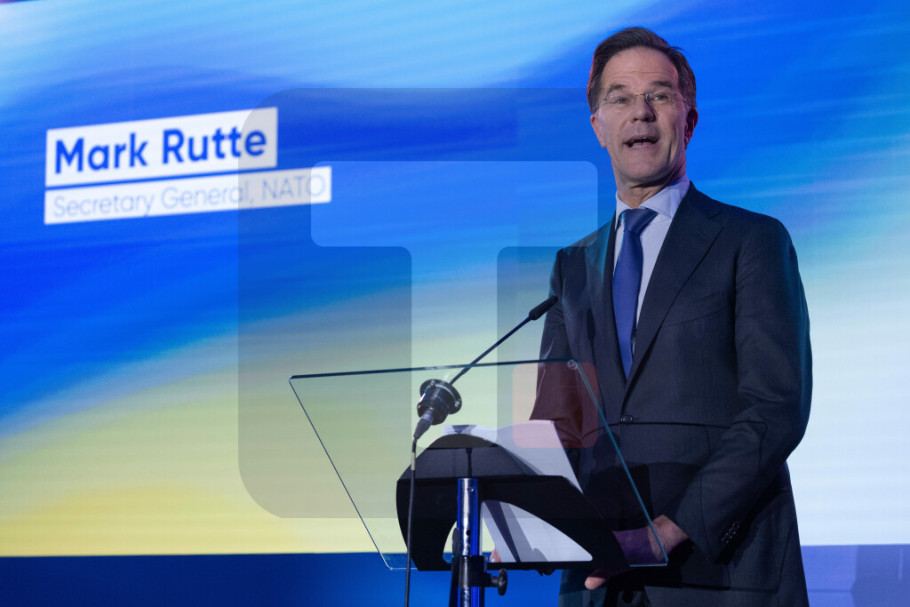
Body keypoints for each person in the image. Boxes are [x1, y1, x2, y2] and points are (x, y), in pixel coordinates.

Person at [530, 27, 812, 606]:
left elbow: (775, 408)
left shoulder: (751, 241)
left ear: (689, 121)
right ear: (598, 128)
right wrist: (523, 514)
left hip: (720, 573)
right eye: (620, 98)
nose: (641, 112)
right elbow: (557, 422)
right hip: (601, 579)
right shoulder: (571, 266)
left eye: (659, 95)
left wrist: (668, 530)